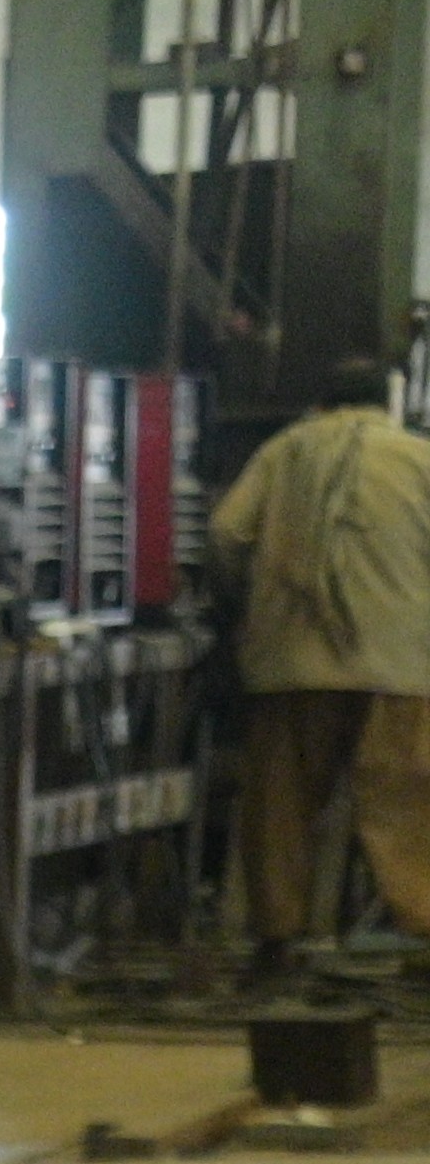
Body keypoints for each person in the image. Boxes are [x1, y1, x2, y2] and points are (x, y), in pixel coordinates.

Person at [217, 357, 430, 951]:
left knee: (282, 809)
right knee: (411, 810)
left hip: (292, 666)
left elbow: (227, 534)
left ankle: (279, 941)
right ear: (388, 402)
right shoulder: (418, 457)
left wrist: (245, 603)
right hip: (399, 668)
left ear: (320, 406)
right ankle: (425, 930)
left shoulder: (284, 452)